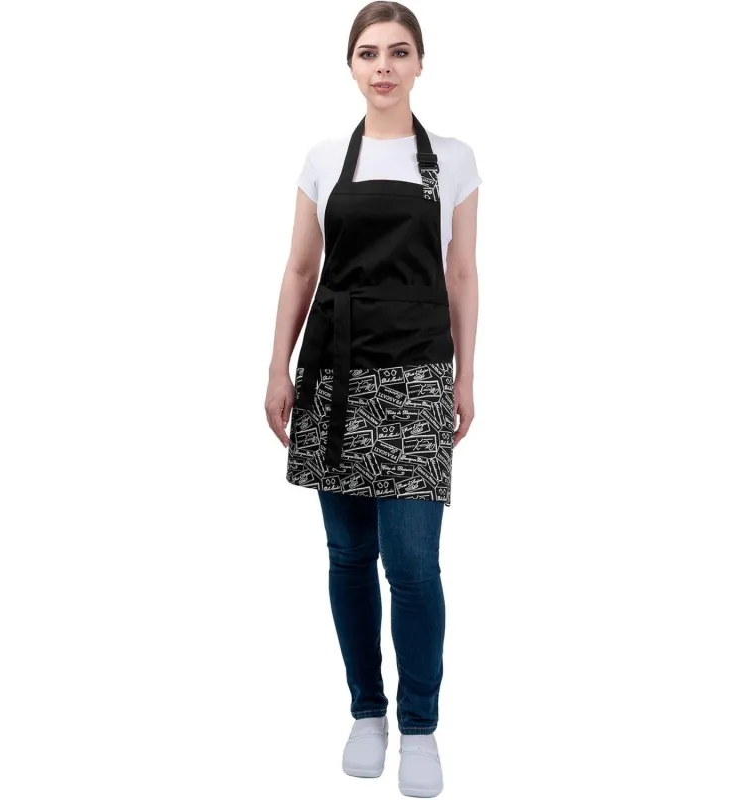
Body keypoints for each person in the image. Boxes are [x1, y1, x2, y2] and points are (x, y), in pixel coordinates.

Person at [264, 2, 480, 796]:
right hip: (337, 373)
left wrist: (465, 377)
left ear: (420, 63)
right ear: (351, 66)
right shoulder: (324, 159)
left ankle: (419, 726)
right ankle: (367, 712)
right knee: (350, 557)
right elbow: (299, 269)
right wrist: (278, 367)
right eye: (368, 53)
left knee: (413, 565)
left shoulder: (452, 160)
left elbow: (462, 273)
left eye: (397, 52)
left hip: (418, 375)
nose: (383, 66)